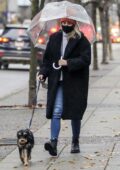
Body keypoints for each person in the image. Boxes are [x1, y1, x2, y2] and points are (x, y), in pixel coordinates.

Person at [38, 18, 91, 156]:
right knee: (56, 111)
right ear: (60, 23)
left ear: (74, 24)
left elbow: (86, 60)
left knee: (75, 113)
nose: (66, 25)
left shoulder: (81, 39)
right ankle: (53, 143)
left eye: (69, 23)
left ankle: (75, 141)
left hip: (75, 82)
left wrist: (68, 62)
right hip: (58, 81)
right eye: (64, 23)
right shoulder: (54, 38)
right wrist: (43, 73)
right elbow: (47, 60)